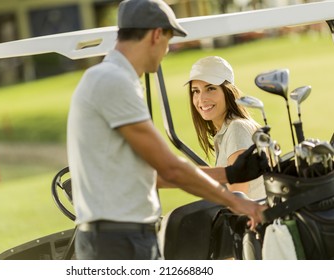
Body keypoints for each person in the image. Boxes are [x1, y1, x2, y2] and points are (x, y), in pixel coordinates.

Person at [67, 0, 267, 260]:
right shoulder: (113, 82)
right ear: (156, 34)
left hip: (122, 235)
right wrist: (237, 201)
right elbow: (169, 168)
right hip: (117, 240)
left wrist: (228, 172)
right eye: (168, 41)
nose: (167, 50)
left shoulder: (113, 79)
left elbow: (152, 176)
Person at [186, 56, 266, 200]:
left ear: (228, 91)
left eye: (210, 88)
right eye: (196, 91)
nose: (201, 99)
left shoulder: (237, 129)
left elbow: (238, 196)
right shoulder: (227, 130)